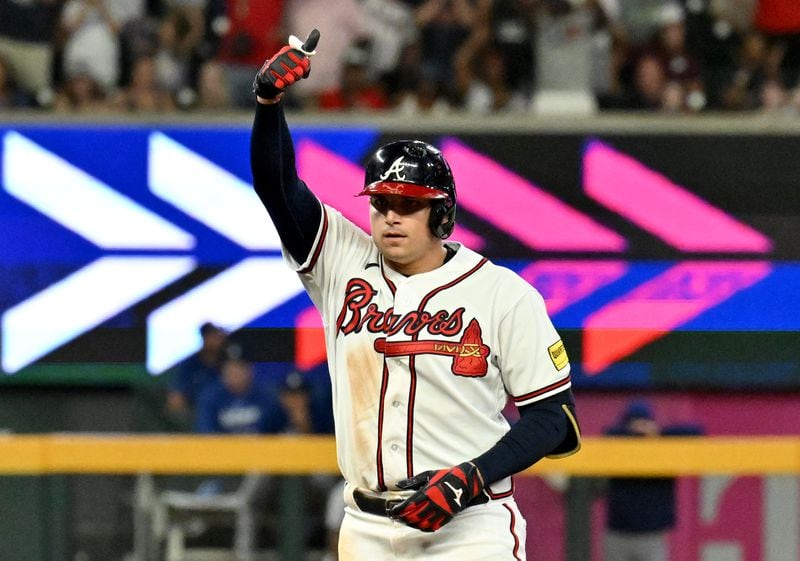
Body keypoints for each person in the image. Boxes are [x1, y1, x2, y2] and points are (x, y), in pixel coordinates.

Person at [248, 28, 581, 560]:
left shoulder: (501, 294)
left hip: (470, 526)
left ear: (442, 213)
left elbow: (554, 420)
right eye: (381, 203)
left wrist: (469, 479)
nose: (391, 216)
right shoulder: (343, 260)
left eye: (409, 204)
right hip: (366, 524)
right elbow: (278, 187)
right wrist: (269, 104)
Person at [603, 400, 703, 561]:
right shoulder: (617, 446)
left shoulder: (664, 448)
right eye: (636, 424)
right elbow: (608, 434)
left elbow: (696, 433)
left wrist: (658, 433)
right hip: (618, 533)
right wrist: (635, 434)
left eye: (645, 424)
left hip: (652, 535)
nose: (641, 431)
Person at [165, 321, 229, 427]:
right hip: (195, 410)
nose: (218, 340)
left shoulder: (228, 361)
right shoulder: (190, 363)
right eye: (213, 336)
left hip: (226, 408)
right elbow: (176, 395)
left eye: (219, 336)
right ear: (204, 337)